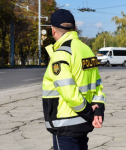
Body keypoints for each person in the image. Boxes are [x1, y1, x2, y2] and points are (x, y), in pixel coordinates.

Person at [42, 9, 105, 150]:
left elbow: (69, 92)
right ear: (74, 28)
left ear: (53, 31)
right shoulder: (86, 50)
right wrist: (98, 109)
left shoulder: (60, 55)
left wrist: (89, 113)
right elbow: (97, 85)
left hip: (65, 125)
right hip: (83, 123)